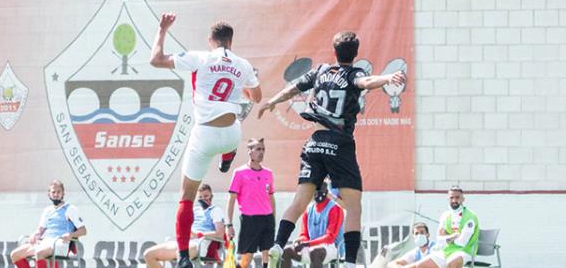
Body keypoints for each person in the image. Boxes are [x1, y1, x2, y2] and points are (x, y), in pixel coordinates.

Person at [258, 32, 407, 268]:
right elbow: (365, 83)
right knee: (354, 205)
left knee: (299, 201)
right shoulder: (354, 73)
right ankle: (349, 263)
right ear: (356, 54)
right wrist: (388, 78)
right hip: (339, 143)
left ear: (334, 50)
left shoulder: (320, 71)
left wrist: (272, 101)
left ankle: (277, 245)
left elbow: (293, 89)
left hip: (315, 142)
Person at [150, 15, 261, 268]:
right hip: (232, 132)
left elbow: (155, 59)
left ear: (210, 41)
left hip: (205, 135)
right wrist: (241, 86)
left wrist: (162, 29)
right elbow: (256, 96)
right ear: (231, 42)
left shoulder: (200, 57)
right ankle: (228, 155)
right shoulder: (242, 64)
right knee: (232, 127)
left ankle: (182, 257)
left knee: (187, 196)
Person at [8, 182, 87, 268]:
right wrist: (35, 234)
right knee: (15, 255)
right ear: (49, 194)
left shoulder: (70, 209)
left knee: (39, 253)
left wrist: (71, 235)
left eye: (58, 192)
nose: (56, 194)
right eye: (53, 192)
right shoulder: (47, 210)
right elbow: (40, 230)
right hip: (45, 242)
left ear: (63, 193)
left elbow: (83, 231)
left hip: (60, 243)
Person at [226, 139, 275, 268]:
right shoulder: (239, 173)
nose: (261, 152)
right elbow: (231, 200)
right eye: (258, 149)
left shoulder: (268, 173)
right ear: (249, 152)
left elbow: (271, 197)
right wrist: (229, 224)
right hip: (249, 220)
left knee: (268, 255)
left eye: (263, 149)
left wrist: (273, 218)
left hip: (267, 218)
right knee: (246, 258)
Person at [406, 188, 480, 268]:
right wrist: (454, 236)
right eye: (451, 198)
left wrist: (446, 236)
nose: (454, 200)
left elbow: (462, 242)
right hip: (446, 251)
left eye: (457, 197)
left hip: (464, 251)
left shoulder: (470, 216)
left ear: (463, 199)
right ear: (448, 199)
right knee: (420, 265)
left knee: (451, 263)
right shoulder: (445, 215)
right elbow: (439, 239)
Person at [276, 182, 344, 268]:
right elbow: (304, 235)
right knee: (286, 251)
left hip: (333, 247)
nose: (317, 194)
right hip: (311, 245)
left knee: (315, 252)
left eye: (320, 191)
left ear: (326, 192)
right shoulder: (308, 209)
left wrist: (307, 244)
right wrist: (299, 241)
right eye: (314, 191)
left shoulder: (335, 208)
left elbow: (330, 237)